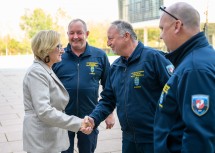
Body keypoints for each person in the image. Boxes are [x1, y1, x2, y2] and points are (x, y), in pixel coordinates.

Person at [87, 20, 174, 153]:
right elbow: (108, 100)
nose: (108, 43)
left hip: (155, 139)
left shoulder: (154, 58)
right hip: (129, 141)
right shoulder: (115, 67)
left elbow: (174, 95)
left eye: (111, 38)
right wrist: (94, 118)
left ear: (126, 36)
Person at [154, 2, 215, 153]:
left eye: (162, 28)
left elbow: (199, 139)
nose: (161, 36)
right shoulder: (197, 59)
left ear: (177, 26)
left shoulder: (194, 69)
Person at [22, 30, 92, 153]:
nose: (63, 50)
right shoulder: (37, 72)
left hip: (48, 138)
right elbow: (44, 111)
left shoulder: (45, 69)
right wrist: (79, 123)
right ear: (46, 48)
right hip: (42, 141)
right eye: (58, 46)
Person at [52, 19, 115, 153]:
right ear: (67, 34)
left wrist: (109, 113)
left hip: (90, 117)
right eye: (72, 33)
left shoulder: (99, 56)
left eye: (79, 33)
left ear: (87, 33)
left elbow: (109, 87)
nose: (75, 37)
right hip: (64, 118)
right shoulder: (58, 55)